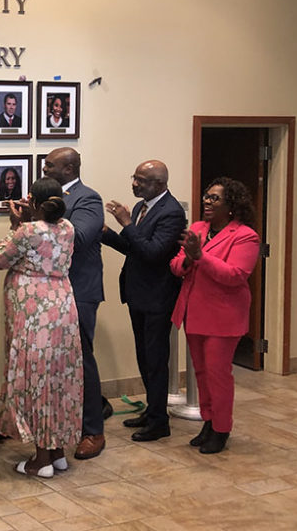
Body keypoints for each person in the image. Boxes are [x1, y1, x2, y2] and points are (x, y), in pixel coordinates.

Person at [0, 177, 82, 478]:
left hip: (34, 314)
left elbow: (0, 259)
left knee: (36, 379)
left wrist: (15, 224)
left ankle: (41, 460)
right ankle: (57, 452)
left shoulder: (28, 231)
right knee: (58, 376)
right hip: (63, 309)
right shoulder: (68, 228)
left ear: (33, 203)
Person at [170, 177, 260, 454]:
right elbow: (175, 266)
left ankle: (222, 428)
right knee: (201, 373)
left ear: (231, 206)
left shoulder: (245, 235)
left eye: (214, 198)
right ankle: (208, 422)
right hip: (193, 312)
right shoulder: (198, 228)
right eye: (206, 197)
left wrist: (199, 256)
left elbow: (235, 276)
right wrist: (187, 258)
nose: (207, 202)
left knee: (218, 374)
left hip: (223, 317)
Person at [102, 160, 187, 442]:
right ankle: (152, 411)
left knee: (156, 359)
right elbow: (133, 248)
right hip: (137, 292)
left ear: (160, 184)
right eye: (134, 178)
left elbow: (153, 253)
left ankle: (159, 422)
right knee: (143, 355)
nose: (135, 184)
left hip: (158, 296)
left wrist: (126, 223)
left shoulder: (172, 212)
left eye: (142, 180)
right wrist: (108, 235)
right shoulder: (141, 206)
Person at [40, 147, 106, 460]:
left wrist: (44, 220)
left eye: (49, 165)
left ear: (68, 169)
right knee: (56, 363)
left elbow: (79, 237)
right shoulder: (48, 195)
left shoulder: (87, 199)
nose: (44, 168)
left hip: (79, 290)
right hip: (51, 292)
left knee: (83, 359)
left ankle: (93, 431)